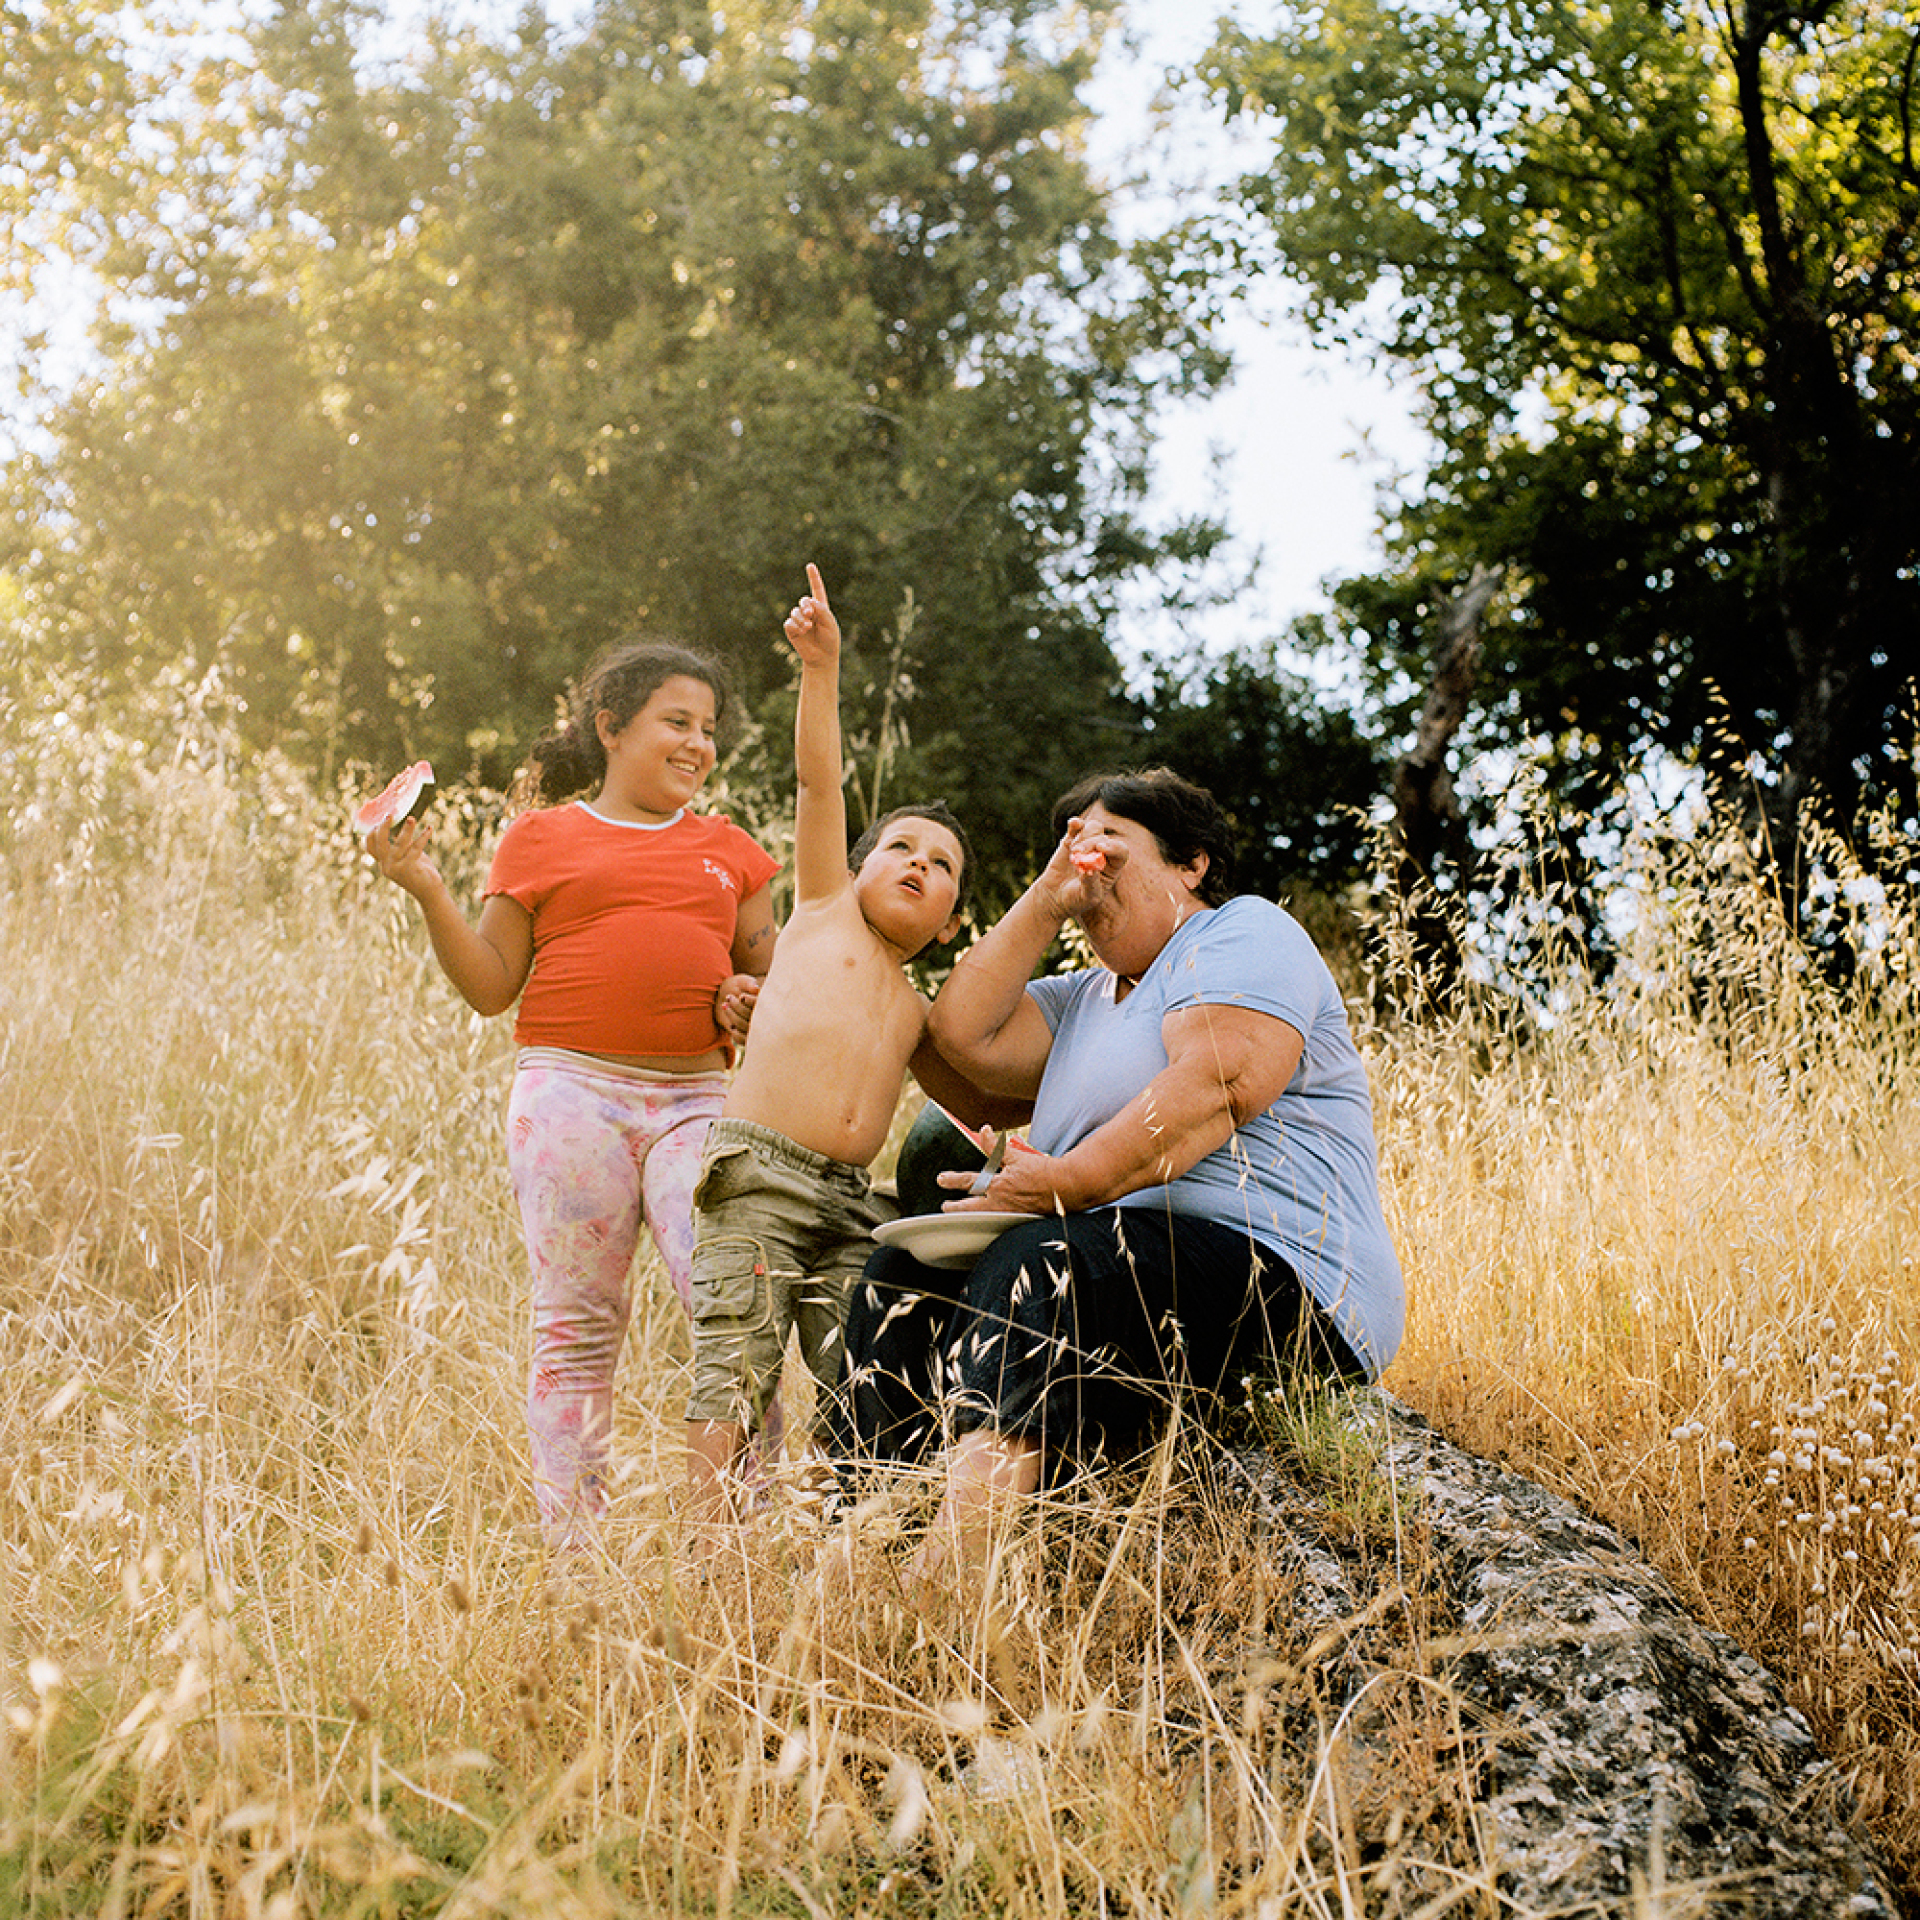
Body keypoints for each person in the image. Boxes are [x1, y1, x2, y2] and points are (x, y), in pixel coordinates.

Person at [839, 766, 1405, 1578]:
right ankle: (868, 1539)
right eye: (1073, 843)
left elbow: (1218, 1084)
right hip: (1130, 1266)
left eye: (1111, 840)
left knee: (1045, 1259)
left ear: (1191, 864)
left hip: (1289, 1280)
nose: (1088, 858)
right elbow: (955, 1042)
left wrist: (1061, 1184)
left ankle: (950, 1572)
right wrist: (1045, 898)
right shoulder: (1082, 1000)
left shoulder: (1238, 933)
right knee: (900, 1273)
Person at [364, 641, 779, 1549]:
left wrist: (749, 999)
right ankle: (577, 1564)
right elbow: (488, 985)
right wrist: (426, 886)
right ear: (610, 727)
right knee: (578, 1327)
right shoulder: (540, 838)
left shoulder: (732, 853)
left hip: (695, 1105)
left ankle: (743, 1547)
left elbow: (776, 989)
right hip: (570, 1097)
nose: (697, 744)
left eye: (708, 730)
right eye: (677, 721)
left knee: (734, 1305)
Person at [682, 565, 1014, 1516]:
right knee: (736, 1366)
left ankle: (841, 1537)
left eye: (941, 864)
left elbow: (975, 1098)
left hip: (849, 1208)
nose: (918, 862)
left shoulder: (920, 1007)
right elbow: (817, 779)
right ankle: (701, 1556)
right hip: (760, 1180)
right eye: (901, 848)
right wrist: (821, 669)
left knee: (861, 1378)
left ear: (953, 921)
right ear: (855, 867)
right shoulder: (822, 912)